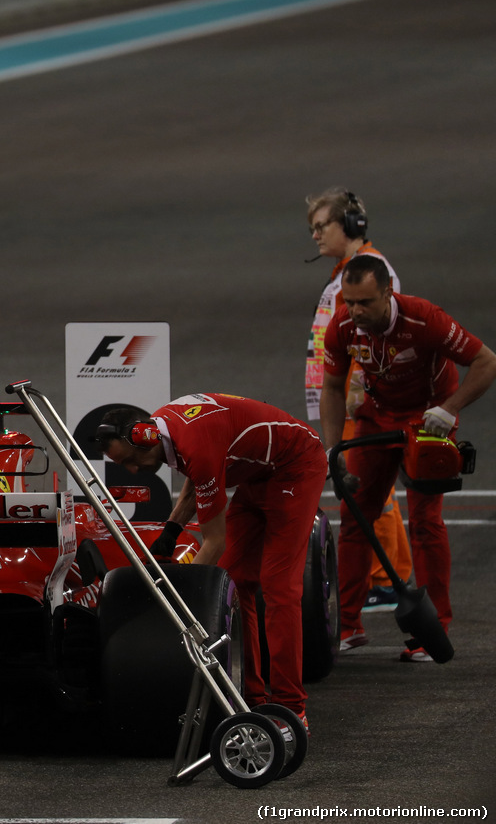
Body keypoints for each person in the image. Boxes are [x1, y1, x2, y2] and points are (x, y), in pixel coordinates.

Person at [98, 395, 326, 728]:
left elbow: (214, 542)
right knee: (232, 580)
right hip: (259, 474)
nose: (132, 471)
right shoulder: (166, 427)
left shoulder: (195, 444)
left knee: (278, 587)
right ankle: (252, 696)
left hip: (296, 467)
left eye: (131, 461)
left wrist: (180, 601)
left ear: (144, 438)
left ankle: (291, 710)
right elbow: (197, 474)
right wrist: (172, 530)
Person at [320, 255, 496, 661]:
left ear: (387, 293)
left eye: (365, 301)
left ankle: (434, 628)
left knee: (425, 522)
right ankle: (348, 627)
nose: (356, 311)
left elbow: (486, 361)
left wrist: (451, 408)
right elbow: (331, 387)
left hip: (430, 419)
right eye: (349, 301)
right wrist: (332, 449)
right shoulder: (343, 325)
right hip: (376, 418)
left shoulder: (425, 319)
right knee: (355, 518)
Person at [303, 188, 411, 614]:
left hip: (357, 401)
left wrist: (356, 390)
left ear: (348, 226)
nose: (314, 235)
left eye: (320, 226)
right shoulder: (344, 273)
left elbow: (377, 336)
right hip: (343, 399)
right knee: (371, 492)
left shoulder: (370, 273)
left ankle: (384, 581)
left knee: (366, 490)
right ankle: (390, 576)